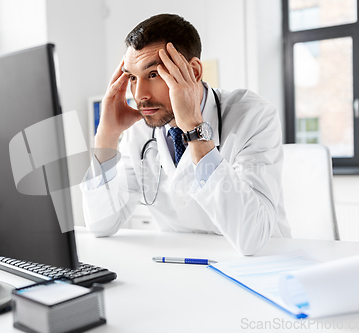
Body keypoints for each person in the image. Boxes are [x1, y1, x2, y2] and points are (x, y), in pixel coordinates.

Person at [80, 13, 291, 255]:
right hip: (183, 269)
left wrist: (194, 129)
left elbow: (253, 237)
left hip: (264, 267)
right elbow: (101, 225)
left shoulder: (254, 115)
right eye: (131, 78)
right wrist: (105, 137)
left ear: (194, 71)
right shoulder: (140, 130)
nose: (140, 95)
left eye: (153, 74)